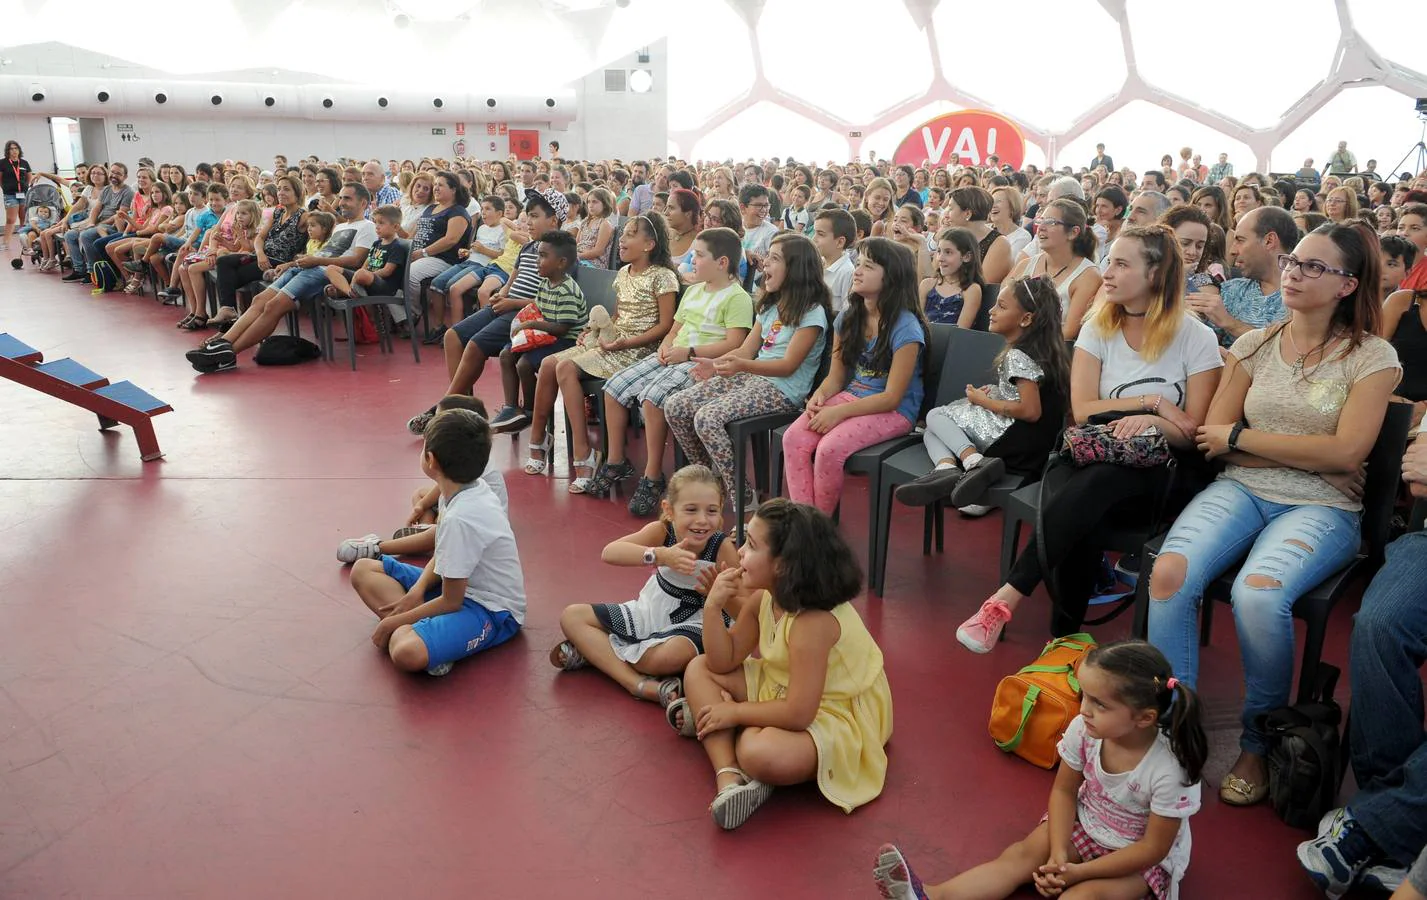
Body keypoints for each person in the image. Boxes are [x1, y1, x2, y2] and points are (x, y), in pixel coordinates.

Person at [1147, 222, 1398, 808]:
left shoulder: (1372, 356)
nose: (1293, 272)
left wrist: (1252, 438)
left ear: (1347, 284)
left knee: (1259, 595)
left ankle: (1259, 742)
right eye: (1293, 261)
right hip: (1243, 488)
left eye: (1314, 267)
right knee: (1169, 574)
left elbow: (1349, 453)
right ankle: (1173, 729)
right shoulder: (1253, 345)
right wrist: (1308, 453)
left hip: (1325, 507)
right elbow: (1215, 438)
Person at [957, 225, 1222, 652]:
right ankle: (1062, 645)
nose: (1108, 273)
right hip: (1093, 452)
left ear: (1154, 274)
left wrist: (1150, 423)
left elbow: (1191, 432)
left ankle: (1011, 601)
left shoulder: (1196, 338)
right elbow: (1083, 412)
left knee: (1094, 486)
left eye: (1121, 263)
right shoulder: (1099, 328)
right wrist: (1152, 403)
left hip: (1163, 471)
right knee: (1083, 497)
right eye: (1108, 261)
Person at [875, 640, 1206, 900]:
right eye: (1084, 696)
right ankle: (931, 895)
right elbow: (1063, 791)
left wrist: (1078, 874)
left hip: (1136, 859)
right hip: (1086, 824)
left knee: (1082, 896)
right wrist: (1060, 853)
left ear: (1144, 718)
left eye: (1100, 704)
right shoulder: (1085, 730)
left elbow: (1152, 849)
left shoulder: (1170, 768)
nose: (1084, 710)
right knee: (1021, 856)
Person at [669, 499, 892, 830]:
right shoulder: (764, 597)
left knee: (758, 752)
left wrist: (735, 713)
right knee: (698, 669)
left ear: (784, 566)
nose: (740, 552)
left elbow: (800, 713)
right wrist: (714, 607)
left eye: (752, 546)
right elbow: (722, 659)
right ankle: (728, 776)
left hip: (835, 711)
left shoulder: (812, 623)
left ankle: (730, 732)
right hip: (783, 686)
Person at [582, 227, 753, 514]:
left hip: (699, 361)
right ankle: (615, 461)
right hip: (675, 353)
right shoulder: (695, 291)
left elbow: (735, 342)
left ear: (722, 262)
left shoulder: (737, 297)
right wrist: (668, 345)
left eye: (699, 256)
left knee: (653, 397)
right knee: (614, 387)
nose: (692, 261)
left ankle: (652, 476)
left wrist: (687, 352)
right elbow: (675, 327)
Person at [349, 408, 524, 678]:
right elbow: (443, 553)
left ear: (430, 460)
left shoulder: (461, 517)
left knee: (406, 652)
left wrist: (393, 623)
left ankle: (426, 639)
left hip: (491, 610)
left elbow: (451, 601)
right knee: (363, 569)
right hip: (454, 588)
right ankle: (434, 639)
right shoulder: (462, 488)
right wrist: (417, 592)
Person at [550, 464, 741, 705]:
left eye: (711, 511)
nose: (702, 520)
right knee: (572, 616)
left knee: (667, 658)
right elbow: (610, 552)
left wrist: (718, 595)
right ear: (669, 510)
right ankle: (636, 683)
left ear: (721, 511)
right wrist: (660, 555)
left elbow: (744, 609)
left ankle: (597, 654)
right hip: (651, 611)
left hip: (696, 621)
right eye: (691, 510)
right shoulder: (662, 531)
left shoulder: (720, 548)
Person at [665, 233, 831, 505]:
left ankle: (743, 498)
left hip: (783, 389)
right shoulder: (771, 305)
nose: (765, 264)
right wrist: (717, 365)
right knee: (676, 406)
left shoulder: (812, 312)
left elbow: (788, 366)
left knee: (707, 418)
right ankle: (711, 482)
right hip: (753, 376)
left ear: (797, 268)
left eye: (775, 259)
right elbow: (745, 350)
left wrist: (741, 365)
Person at [526, 214, 679, 492]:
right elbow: (619, 315)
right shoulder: (623, 274)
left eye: (630, 234)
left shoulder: (663, 276)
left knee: (565, 368)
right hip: (615, 341)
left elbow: (665, 326)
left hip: (639, 350)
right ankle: (539, 439)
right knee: (549, 364)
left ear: (649, 244)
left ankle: (584, 454)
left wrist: (626, 343)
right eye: (623, 234)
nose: (622, 239)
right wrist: (593, 330)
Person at [896, 275, 1070, 510]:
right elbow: (1032, 394)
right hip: (1031, 449)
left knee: (936, 416)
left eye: (1001, 306)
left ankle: (973, 462)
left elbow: (1030, 411)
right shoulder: (1045, 352)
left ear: (1026, 319)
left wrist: (984, 401)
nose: (991, 310)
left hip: (1013, 443)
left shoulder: (1018, 355)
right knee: (931, 433)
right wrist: (998, 391)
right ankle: (947, 470)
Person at [781, 237, 927, 514]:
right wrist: (820, 397)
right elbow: (836, 378)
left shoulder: (906, 328)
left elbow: (892, 397)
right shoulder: (849, 318)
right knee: (794, 439)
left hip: (895, 411)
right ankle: (805, 522)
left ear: (892, 277)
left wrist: (839, 413)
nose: (857, 270)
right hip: (854, 396)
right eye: (858, 263)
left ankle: (819, 527)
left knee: (829, 449)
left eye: (868, 266)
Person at [408, 188, 565, 434]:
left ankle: (446, 407)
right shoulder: (529, 247)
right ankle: (463, 405)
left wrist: (511, 303)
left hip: (526, 313)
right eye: (527, 216)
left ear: (553, 221)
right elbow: (512, 280)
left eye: (534, 216)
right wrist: (501, 294)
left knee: (475, 344)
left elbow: (548, 300)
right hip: (507, 304)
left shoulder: (560, 253)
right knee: (453, 336)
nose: (527, 222)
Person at [185, 183, 376, 374]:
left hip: (324, 272)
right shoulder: (341, 225)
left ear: (363, 203)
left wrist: (315, 260)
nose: (341, 202)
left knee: (272, 306)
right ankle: (223, 344)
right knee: (259, 300)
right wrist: (292, 264)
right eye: (341, 197)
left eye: (347, 198)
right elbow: (322, 251)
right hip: (307, 266)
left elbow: (356, 260)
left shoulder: (368, 227)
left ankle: (226, 354)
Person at [336, 396, 507, 563]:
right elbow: (443, 486)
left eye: (439, 419)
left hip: (473, 527)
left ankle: (381, 547)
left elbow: (450, 588)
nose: (432, 424)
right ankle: (425, 533)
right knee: (420, 496)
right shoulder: (470, 458)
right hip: (471, 513)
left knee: (441, 531)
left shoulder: (464, 502)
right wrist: (422, 506)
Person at [485, 230, 587, 436]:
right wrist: (523, 324)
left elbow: (562, 328)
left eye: (543, 256)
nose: (537, 261)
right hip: (546, 335)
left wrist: (530, 325)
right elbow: (538, 310)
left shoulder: (566, 290)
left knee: (524, 363)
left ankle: (530, 412)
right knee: (506, 354)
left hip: (566, 341)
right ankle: (511, 408)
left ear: (561, 262)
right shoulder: (544, 283)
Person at [1189, 206, 1296, 348]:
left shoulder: (1303, 297)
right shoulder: (1232, 290)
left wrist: (1232, 324)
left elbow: (1291, 353)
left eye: (1240, 240)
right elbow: (1199, 343)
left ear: (1269, 241)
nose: (1232, 251)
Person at [1008, 197, 1101, 339]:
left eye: (1051, 222)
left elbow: (1069, 332)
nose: (1041, 227)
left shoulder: (1088, 276)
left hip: (1053, 354)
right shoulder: (1025, 265)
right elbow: (1003, 309)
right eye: (1040, 220)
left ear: (1073, 232)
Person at [61, 162, 132, 283]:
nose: (114, 175)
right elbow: (96, 209)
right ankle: (80, 270)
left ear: (125, 177)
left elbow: (120, 215)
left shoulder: (127, 192)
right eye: (113, 172)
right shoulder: (107, 190)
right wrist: (92, 223)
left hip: (113, 225)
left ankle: (92, 271)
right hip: (99, 222)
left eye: (118, 173)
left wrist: (98, 224)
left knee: (86, 235)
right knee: (70, 235)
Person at [324, 204, 407, 298]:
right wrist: (359, 274)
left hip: (384, 285)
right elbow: (365, 265)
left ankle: (344, 291)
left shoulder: (397, 246)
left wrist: (362, 275)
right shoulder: (376, 244)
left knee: (361, 274)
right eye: (375, 222)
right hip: (364, 278)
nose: (377, 226)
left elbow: (387, 271)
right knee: (331, 268)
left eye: (381, 223)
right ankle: (349, 292)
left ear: (396, 227)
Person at [920, 226, 984, 328]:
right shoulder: (927, 285)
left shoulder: (971, 290)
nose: (940, 258)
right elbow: (916, 324)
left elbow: (960, 332)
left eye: (948, 252)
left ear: (967, 257)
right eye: (939, 251)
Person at [812, 207, 856, 312]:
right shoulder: (817, 263)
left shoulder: (847, 272)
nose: (814, 239)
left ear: (840, 242)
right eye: (815, 233)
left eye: (821, 234)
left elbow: (846, 313)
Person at [3, 140, 34, 255]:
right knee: (11, 219)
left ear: (19, 150)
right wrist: (6, 187)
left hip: (23, 194)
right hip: (10, 194)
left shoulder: (24, 163)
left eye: (16, 148)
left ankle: (24, 243)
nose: (14, 151)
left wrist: (25, 186)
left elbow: (29, 176)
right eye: (11, 149)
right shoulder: (3, 163)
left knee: (23, 219)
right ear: (8, 151)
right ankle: (5, 242)